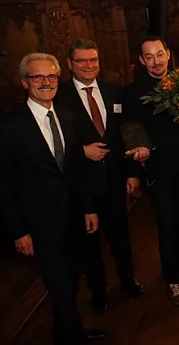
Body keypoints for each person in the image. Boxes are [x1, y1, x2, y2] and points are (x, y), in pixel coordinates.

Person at [0, 53, 116, 345]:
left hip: (74, 218)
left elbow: (76, 170)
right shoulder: (8, 127)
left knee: (71, 281)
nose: (45, 82)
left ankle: (64, 331)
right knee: (60, 287)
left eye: (50, 77)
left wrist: (88, 207)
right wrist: (18, 230)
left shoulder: (66, 116)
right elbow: (2, 185)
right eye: (37, 78)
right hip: (39, 225)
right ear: (24, 82)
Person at [54, 39, 144, 315]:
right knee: (89, 244)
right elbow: (52, 142)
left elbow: (125, 134)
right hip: (82, 185)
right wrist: (81, 151)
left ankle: (128, 280)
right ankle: (99, 292)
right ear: (70, 65)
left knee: (121, 236)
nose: (88, 65)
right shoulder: (59, 97)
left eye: (93, 60)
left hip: (116, 179)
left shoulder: (114, 92)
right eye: (81, 61)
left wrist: (132, 173)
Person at [124, 36, 179, 305]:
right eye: (149, 56)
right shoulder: (134, 91)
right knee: (167, 222)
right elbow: (131, 127)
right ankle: (171, 278)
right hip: (159, 169)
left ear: (168, 54)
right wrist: (140, 150)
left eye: (159, 54)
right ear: (141, 60)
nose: (156, 61)